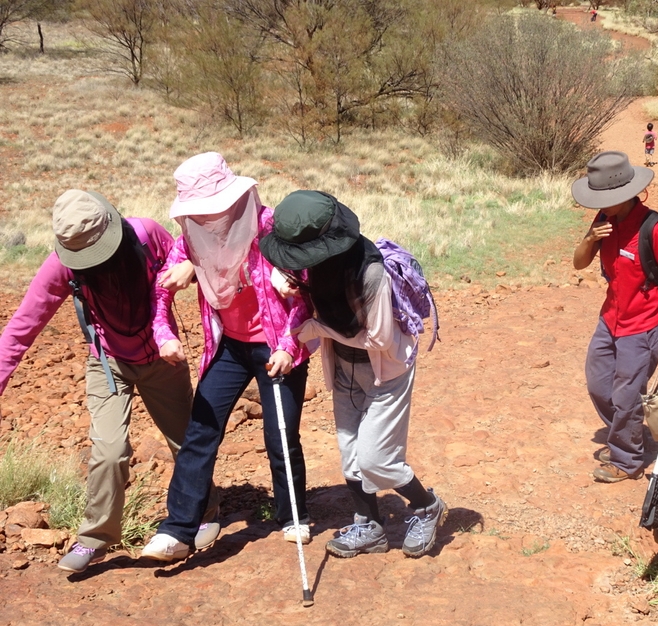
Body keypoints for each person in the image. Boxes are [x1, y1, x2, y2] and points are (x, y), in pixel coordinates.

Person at [0, 190, 207, 573]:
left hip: (162, 357)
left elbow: (191, 261)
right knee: (109, 451)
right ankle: (96, 539)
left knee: (185, 441)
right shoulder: (61, 267)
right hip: (108, 362)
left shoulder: (147, 235)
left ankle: (201, 513)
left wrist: (192, 267)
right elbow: (21, 328)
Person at [141, 153, 312, 562]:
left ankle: (293, 514)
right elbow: (160, 295)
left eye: (213, 208)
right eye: (199, 211)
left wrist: (290, 346)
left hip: (277, 346)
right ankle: (178, 529)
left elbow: (310, 296)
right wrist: (164, 336)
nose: (208, 217)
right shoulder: (189, 241)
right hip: (230, 347)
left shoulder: (272, 228)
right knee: (201, 431)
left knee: (280, 436)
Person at [258, 190, 447, 559]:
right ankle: (370, 526)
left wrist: (315, 328)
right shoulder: (315, 268)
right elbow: (312, 311)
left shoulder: (371, 274)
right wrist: (296, 313)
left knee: (378, 460)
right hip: (344, 368)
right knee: (350, 456)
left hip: (385, 373)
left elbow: (378, 339)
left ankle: (427, 507)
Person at [572, 151, 658, 482]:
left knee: (626, 393)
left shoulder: (654, 228)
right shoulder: (603, 221)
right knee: (598, 384)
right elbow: (579, 263)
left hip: (644, 324)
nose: (600, 205)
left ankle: (627, 459)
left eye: (606, 198)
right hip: (610, 319)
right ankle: (628, 433)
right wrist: (590, 238)